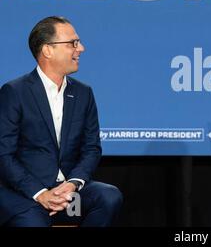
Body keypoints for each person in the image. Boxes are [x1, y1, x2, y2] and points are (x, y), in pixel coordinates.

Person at [0, 16, 123, 227]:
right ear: (48, 50)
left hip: (67, 197)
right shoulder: (14, 92)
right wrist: (40, 194)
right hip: (26, 196)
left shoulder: (83, 93)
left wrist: (73, 184)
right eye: (73, 43)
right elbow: (4, 154)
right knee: (34, 223)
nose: (81, 48)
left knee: (109, 197)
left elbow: (91, 148)